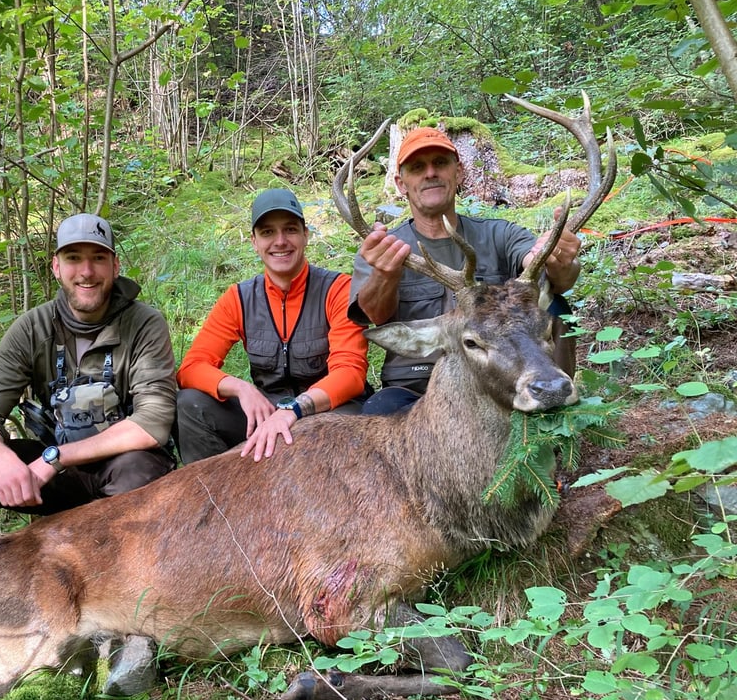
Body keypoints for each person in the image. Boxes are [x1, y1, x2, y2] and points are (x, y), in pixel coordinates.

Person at [0, 213, 177, 686]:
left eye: (97, 259)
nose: (85, 271)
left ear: (113, 265)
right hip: (58, 479)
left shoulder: (144, 325)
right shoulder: (32, 329)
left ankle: (127, 621)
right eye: (74, 259)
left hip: (122, 475)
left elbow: (153, 423)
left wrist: (53, 459)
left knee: (137, 472)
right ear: (56, 266)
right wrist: (6, 460)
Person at [349, 127, 580, 414]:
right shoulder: (383, 249)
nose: (430, 173)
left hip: (500, 376)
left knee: (555, 304)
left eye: (441, 163)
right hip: (414, 386)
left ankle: (555, 402)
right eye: (418, 167)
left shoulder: (500, 235)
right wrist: (385, 274)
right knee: (380, 417)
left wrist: (555, 257)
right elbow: (374, 315)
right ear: (401, 183)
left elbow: (558, 280)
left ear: (459, 172)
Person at [176, 188, 370, 463]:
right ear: (254, 241)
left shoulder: (337, 290)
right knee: (190, 404)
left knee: (347, 427)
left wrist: (294, 409)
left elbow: (350, 373)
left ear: (306, 235)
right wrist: (242, 389)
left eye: (290, 229)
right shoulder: (238, 299)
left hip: (329, 411)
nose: (280, 241)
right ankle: (211, 497)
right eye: (268, 232)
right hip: (267, 409)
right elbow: (191, 368)